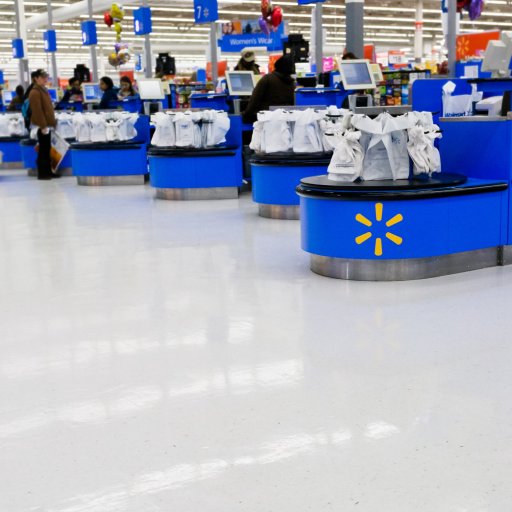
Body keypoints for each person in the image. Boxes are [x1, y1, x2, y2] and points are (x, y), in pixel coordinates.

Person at [242, 55, 295, 124]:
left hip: (266, 118)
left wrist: (246, 114)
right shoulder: (292, 83)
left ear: (277, 64)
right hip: (284, 119)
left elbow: (255, 99)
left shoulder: (267, 79)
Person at [29, 69, 57, 180]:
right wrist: (43, 126)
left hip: (47, 125)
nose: (45, 79)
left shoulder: (43, 90)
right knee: (43, 149)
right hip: (41, 126)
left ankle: (48, 171)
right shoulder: (35, 92)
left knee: (47, 148)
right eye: (42, 77)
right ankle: (42, 173)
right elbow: (37, 111)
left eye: (46, 77)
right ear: (36, 79)